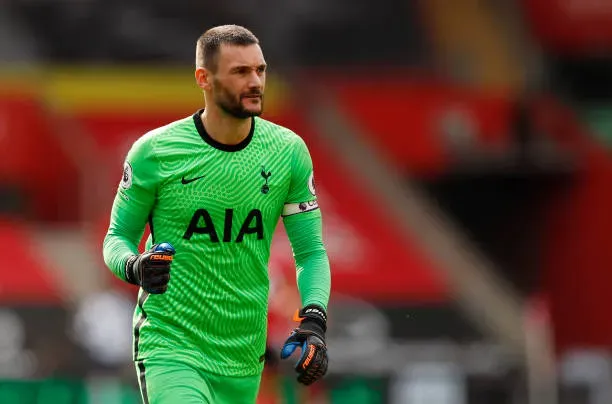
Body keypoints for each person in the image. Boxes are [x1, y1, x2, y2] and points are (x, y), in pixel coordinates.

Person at [102, 24, 331, 404]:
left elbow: (310, 252)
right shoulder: (155, 152)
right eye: (240, 72)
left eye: (260, 70)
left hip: (243, 357)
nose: (255, 81)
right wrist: (135, 266)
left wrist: (314, 320)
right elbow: (116, 238)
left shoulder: (288, 152)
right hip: (171, 346)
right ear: (203, 79)